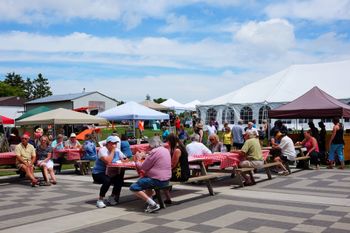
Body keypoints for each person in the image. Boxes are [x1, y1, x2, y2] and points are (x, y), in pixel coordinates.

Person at [129, 136, 171, 213]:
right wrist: (146, 155)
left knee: (133, 187)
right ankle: (149, 203)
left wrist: (137, 159)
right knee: (147, 184)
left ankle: (153, 204)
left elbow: (143, 167)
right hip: (166, 179)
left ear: (152, 145)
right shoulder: (165, 150)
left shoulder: (155, 151)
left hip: (157, 180)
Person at [92, 136, 127, 208]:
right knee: (107, 180)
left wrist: (122, 160)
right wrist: (113, 151)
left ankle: (112, 197)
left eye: (116, 143)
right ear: (108, 144)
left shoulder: (117, 150)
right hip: (99, 173)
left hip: (111, 172)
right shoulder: (102, 150)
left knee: (120, 178)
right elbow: (108, 161)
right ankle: (100, 200)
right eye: (113, 143)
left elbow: (125, 159)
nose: (115, 145)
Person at [163, 133, 190, 204]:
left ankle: (164, 197)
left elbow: (172, 165)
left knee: (161, 178)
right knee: (163, 177)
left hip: (180, 175)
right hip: (185, 173)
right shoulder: (181, 147)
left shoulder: (177, 150)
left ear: (171, 141)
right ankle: (166, 197)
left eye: (168, 141)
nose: (167, 143)